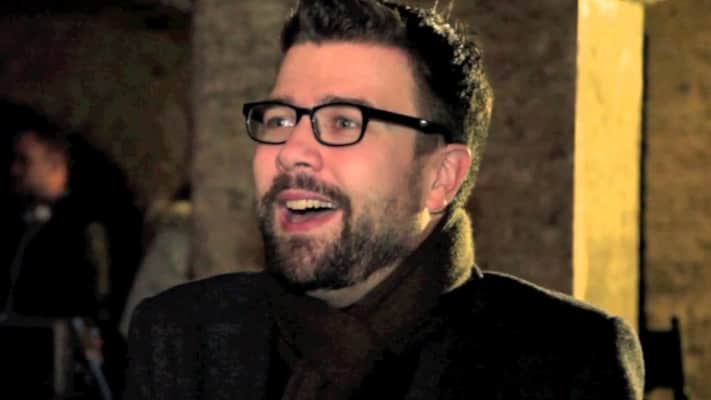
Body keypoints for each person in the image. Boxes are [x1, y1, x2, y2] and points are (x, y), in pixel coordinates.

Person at [125, 1, 645, 399]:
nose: (292, 152)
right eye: (280, 119)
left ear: (441, 176)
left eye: (344, 122)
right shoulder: (181, 337)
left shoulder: (565, 362)